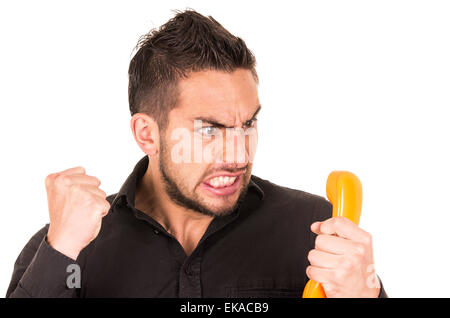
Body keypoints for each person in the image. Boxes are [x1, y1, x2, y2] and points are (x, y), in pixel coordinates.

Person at [6, 9, 387, 298]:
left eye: (248, 124)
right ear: (147, 134)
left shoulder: (314, 229)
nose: (239, 155)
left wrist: (364, 291)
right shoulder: (71, 248)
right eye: (209, 129)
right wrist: (59, 255)